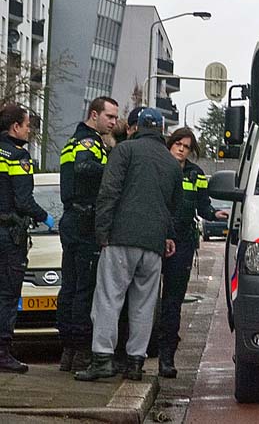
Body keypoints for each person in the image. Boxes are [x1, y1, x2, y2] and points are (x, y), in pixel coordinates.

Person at [75, 108, 182, 382]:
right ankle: (136, 363)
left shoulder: (124, 151)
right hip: (153, 244)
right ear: (160, 130)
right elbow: (174, 206)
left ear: (136, 127)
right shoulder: (171, 163)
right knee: (144, 305)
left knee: (109, 299)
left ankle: (102, 360)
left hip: (122, 238)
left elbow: (108, 192)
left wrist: (103, 232)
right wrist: (167, 236)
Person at [158, 127, 228, 378]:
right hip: (155, 239)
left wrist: (214, 215)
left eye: (186, 146)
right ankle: (135, 354)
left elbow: (203, 205)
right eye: (177, 143)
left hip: (183, 241)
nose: (181, 149)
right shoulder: (158, 167)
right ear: (169, 144)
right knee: (143, 299)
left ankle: (167, 356)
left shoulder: (195, 174)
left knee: (173, 301)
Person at [57, 96, 119, 373]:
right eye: (110, 117)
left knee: (69, 287)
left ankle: (68, 350)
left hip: (72, 218)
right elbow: (84, 168)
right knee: (84, 289)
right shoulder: (89, 142)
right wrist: (114, 171)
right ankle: (81, 350)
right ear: (95, 115)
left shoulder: (73, 140)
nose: (114, 122)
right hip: (84, 222)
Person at [0, 104, 55, 373]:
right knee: (8, 294)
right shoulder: (17, 156)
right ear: (15, 128)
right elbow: (23, 201)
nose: (29, 130)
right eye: (27, 125)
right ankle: (2, 353)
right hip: (10, 235)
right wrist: (45, 216)